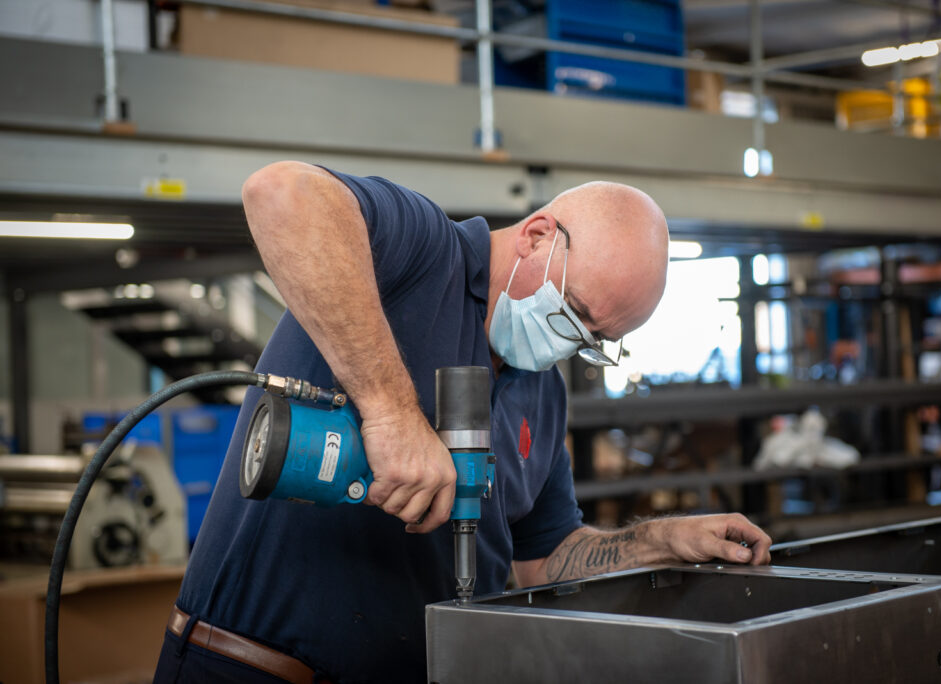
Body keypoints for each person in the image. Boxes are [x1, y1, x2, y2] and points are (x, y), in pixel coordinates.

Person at [153, 162, 772, 683]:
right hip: (248, 668)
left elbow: (543, 558)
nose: (570, 342)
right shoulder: (424, 254)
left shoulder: (543, 393)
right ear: (536, 236)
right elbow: (281, 193)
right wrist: (392, 414)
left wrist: (656, 543)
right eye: (574, 312)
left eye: (593, 339)